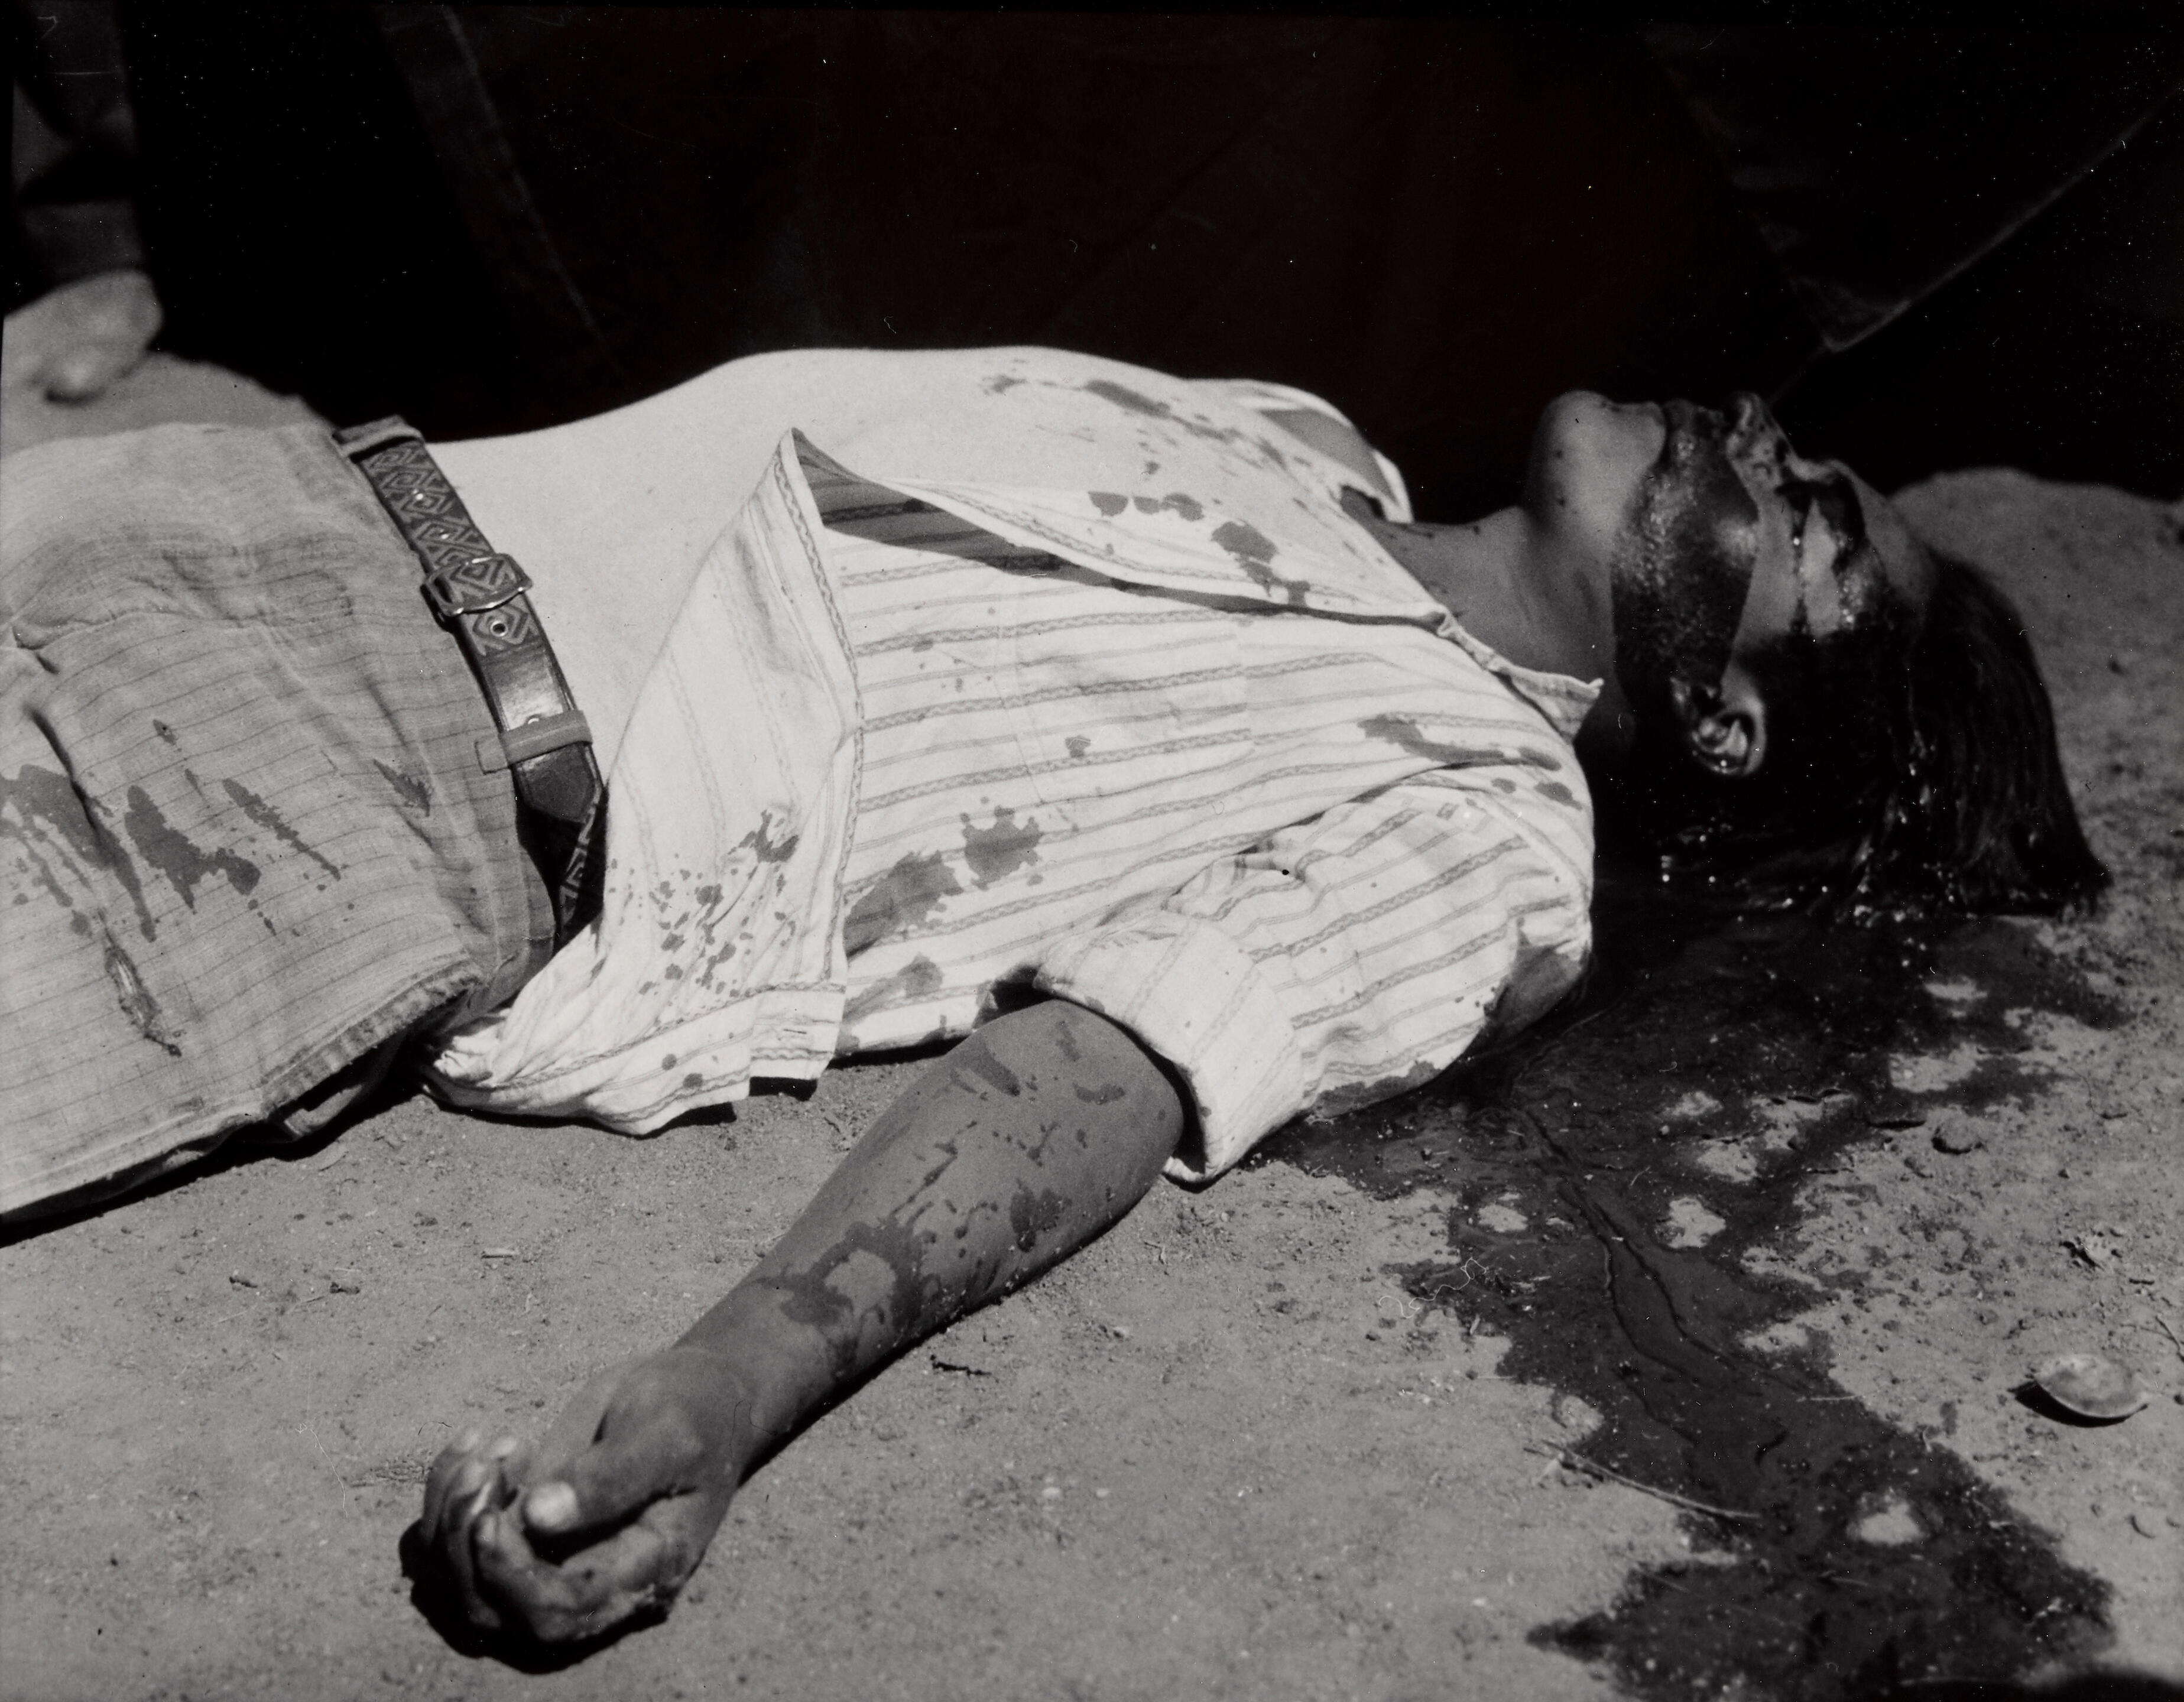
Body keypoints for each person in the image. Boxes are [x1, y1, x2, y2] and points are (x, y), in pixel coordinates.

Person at [0, 346, 2103, 1643]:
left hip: (322, 782)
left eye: (1804, 515)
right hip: (257, 506)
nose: (1760, 434)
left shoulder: (1487, 818)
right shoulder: (1298, 438)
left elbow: (1118, 1056)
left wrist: (735, 1384)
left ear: (1727, 726)